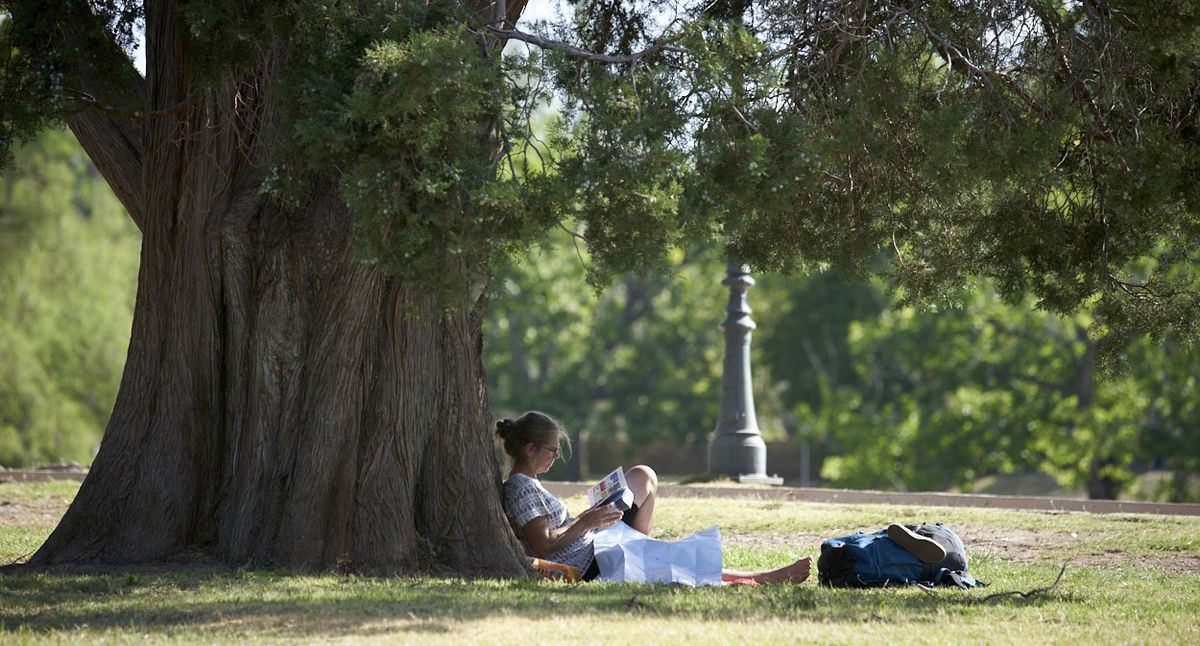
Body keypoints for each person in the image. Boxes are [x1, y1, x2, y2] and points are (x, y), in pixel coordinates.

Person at [496, 410, 811, 584]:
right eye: (552, 450)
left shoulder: (529, 483)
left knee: (642, 476)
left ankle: (644, 547)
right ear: (529, 449)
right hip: (586, 559)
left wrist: (590, 518)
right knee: (671, 557)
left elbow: (555, 532)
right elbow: (544, 544)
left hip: (589, 541)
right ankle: (759, 579)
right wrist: (586, 520)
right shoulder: (521, 487)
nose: (555, 456)